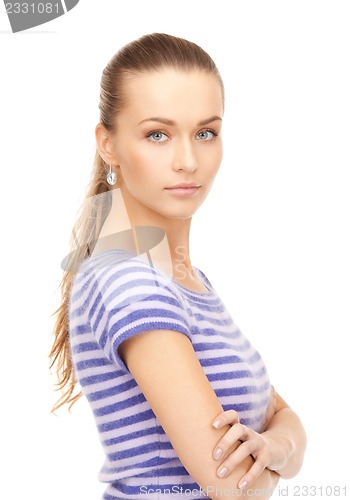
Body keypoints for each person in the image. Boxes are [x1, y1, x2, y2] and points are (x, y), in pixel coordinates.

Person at [49, 33, 307, 500]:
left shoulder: (188, 282)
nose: (188, 161)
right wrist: (277, 460)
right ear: (108, 144)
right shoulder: (130, 281)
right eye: (158, 135)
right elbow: (231, 487)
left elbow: (283, 417)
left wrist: (275, 445)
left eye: (205, 132)